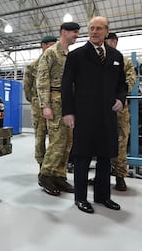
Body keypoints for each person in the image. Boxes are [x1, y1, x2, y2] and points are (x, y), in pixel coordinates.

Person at [61, 16, 128, 214]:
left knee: (106, 157)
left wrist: (120, 99)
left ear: (107, 31)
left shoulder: (116, 56)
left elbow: (122, 85)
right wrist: (68, 112)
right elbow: (66, 85)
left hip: (108, 116)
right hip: (84, 114)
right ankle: (80, 198)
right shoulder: (77, 56)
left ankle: (103, 196)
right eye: (91, 28)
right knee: (82, 157)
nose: (95, 31)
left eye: (99, 28)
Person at [36, 22, 80, 196]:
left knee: (68, 142)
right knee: (57, 141)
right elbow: (42, 80)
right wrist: (45, 105)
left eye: (77, 32)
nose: (77, 35)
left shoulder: (71, 54)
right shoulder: (51, 53)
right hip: (55, 101)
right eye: (74, 32)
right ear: (64, 32)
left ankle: (59, 176)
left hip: (69, 102)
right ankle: (46, 175)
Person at [23, 35, 57, 184]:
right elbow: (27, 88)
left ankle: (53, 168)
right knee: (40, 136)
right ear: (42, 46)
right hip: (38, 105)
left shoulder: (57, 63)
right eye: (50, 45)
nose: (52, 48)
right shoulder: (32, 66)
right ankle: (41, 166)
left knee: (57, 138)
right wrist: (36, 101)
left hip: (55, 104)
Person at [105, 33, 137, 191]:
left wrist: (119, 96)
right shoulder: (99, 60)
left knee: (121, 140)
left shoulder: (125, 61)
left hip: (120, 106)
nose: (110, 43)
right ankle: (101, 175)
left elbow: (130, 80)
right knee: (101, 140)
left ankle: (120, 176)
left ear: (115, 42)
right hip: (101, 107)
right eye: (108, 41)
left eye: (112, 41)